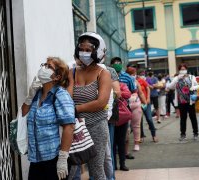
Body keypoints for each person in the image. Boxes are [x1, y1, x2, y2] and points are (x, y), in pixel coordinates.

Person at [22, 57, 75, 180]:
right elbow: (24, 114)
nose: (43, 68)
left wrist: (62, 159)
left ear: (57, 77)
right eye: (44, 64)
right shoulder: (37, 94)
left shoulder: (60, 94)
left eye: (48, 66)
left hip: (54, 159)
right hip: (36, 158)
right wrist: (30, 96)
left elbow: (69, 127)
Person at [68, 32, 111, 180]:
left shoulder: (103, 73)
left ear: (97, 51)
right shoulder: (71, 72)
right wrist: (73, 109)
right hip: (74, 128)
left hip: (97, 125)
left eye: (88, 50)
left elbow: (101, 102)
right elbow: (67, 98)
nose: (84, 53)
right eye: (81, 49)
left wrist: (76, 108)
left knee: (97, 170)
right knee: (70, 170)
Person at [110, 57, 136, 160]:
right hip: (111, 108)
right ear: (111, 65)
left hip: (124, 107)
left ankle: (125, 152)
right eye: (114, 63)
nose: (117, 64)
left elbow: (133, 91)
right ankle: (115, 155)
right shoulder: (107, 75)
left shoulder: (127, 77)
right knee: (114, 133)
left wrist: (128, 97)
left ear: (121, 64)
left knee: (125, 134)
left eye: (118, 63)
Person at [167, 64, 199, 141]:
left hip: (190, 101)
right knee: (183, 119)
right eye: (181, 69)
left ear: (187, 69)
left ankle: (195, 133)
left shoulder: (192, 77)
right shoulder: (176, 78)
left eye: (184, 69)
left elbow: (197, 86)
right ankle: (183, 134)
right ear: (179, 70)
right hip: (181, 101)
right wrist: (177, 78)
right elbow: (170, 87)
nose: (183, 70)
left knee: (193, 117)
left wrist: (193, 88)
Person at [125, 66, 147, 151]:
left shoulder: (136, 82)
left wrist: (145, 102)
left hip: (136, 105)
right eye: (130, 74)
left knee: (136, 126)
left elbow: (141, 93)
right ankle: (126, 145)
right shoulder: (123, 81)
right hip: (126, 106)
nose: (132, 75)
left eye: (133, 74)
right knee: (127, 127)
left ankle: (136, 143)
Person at [137, 73, 158, 143]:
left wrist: (148, 98)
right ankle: (140, 136)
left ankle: (154, 135)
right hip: (137, 104)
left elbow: (148, 88)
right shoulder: (131, 81)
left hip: (146, 102)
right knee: (139, 121)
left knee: (149, 118)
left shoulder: (141, 80)